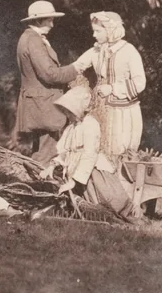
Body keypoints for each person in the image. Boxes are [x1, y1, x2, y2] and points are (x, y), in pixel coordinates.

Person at [49, 85, 138, 221]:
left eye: (70, 111)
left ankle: (118, 215)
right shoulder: (70, 129)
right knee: (78, 202)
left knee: (109, 202)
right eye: (66, 111)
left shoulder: (90, 124)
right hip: (75, 171)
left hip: (93, 172)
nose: (68, 115)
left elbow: (90, 155)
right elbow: (64, 152)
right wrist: (53, 165)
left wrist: (74, 181)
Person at [15, 0, 88, 165]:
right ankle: (41, 187)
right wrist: (76, 67)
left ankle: (36, 185)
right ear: (38, 20)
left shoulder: (30, 38)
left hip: (38, 105)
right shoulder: (33, 40)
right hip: (44, 107)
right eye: (49, 20)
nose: (52, 24)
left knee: (40, 153)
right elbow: (50, 74)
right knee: (46, 156)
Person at [81, 11, 146, 159]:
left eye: (98, 31)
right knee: (98, 151)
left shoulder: (129, 51)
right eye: (93, 31)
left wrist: (112, 88)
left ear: (110, 30)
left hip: (123, 112)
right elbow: (77, 66)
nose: (94, 35)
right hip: (101, 109)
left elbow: (140, 82)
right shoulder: (97, 50)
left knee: (119, 153)